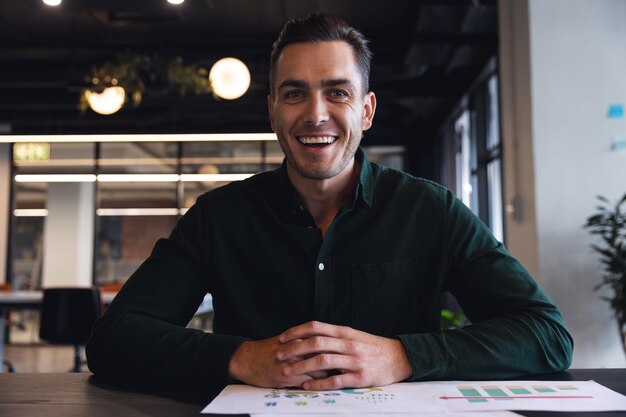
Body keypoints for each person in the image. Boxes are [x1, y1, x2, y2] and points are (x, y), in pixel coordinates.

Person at [86, 12, 573, 391]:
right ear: (273, 109)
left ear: (366, 110)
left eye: (337, 92)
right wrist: (239, 358)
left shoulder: (432, 210)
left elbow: (546, 335)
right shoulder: (219, 217)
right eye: (295, 93)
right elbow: (114, 340)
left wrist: (403, 357)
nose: (315, 115)